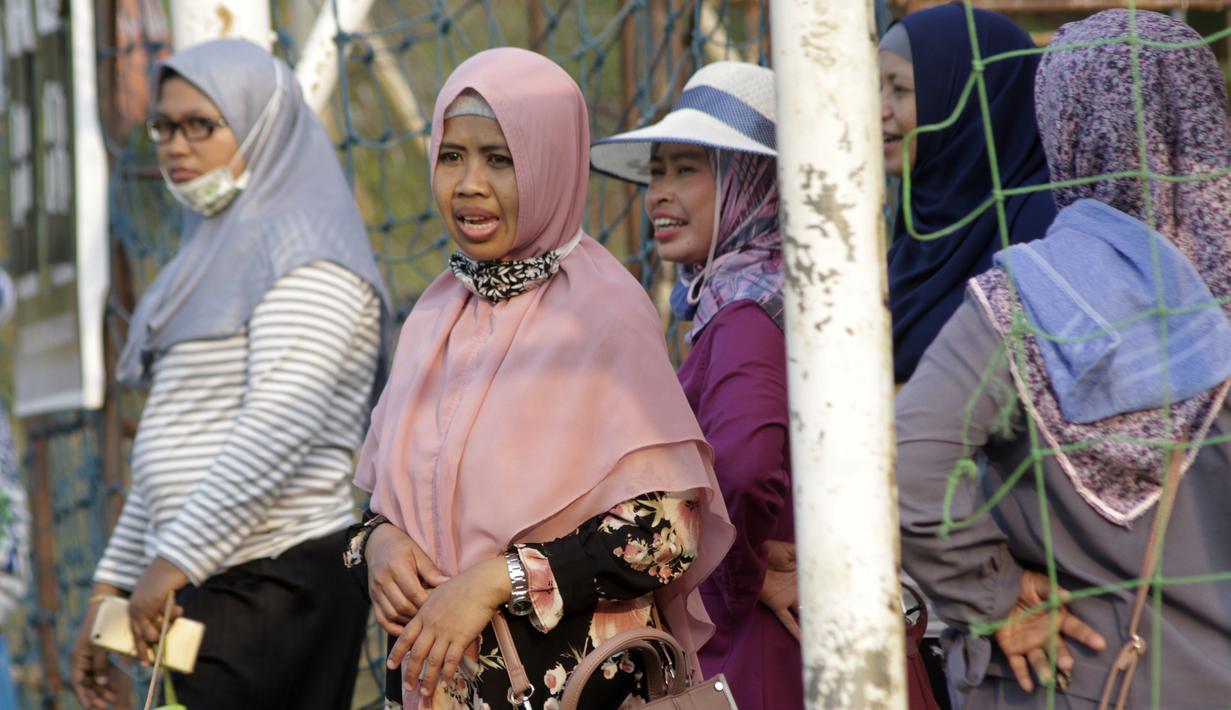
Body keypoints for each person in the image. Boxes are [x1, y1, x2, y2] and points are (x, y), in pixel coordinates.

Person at [348, 47, 733, 710]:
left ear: (549, 162)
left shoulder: (601, 315)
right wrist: (377, 545)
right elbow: (388, 500)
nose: (469, 184)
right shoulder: (436, 314)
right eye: (452, 157)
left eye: (499, 159)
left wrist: (496, 581)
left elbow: (665, 534)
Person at [897, 10, 1231, 708]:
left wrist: (995, 596)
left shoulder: (1032, 295)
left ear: (1066, 126)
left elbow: (911, 463)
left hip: (1069, 676)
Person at [69, 38, 389, 709]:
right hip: (206, 578)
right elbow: (170, 441)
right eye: (163, 126)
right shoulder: (208, 255)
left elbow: (277, 430)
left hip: (275, 585)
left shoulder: (309, 256)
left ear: (261, 124)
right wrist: (112, 587)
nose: (175, 146)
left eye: (200, 126)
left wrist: (170, 564)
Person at [590, 61, 802, 709]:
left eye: (687, 169)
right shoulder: (770, 296)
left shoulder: (744, 316)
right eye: (656, 171)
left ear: (752, 183)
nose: (657, 193)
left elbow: (743, 464)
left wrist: (728, 585)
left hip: (760, 648)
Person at [881, 5, 1056, 384]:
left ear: (969, 94)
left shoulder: (1045, 231)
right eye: (875, 88)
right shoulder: (921, 228)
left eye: (899, 89)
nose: (878, 109)